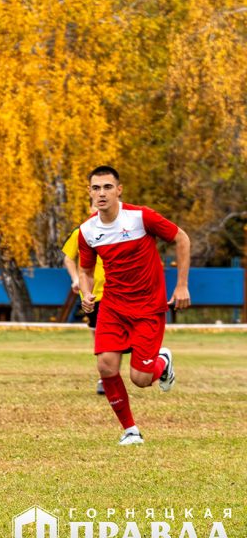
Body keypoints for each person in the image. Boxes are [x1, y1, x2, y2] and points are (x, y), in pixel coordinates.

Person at [77, 165, 190, 445]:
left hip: (148, 307)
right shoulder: (87, 231)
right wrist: (86, 293)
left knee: (140, 378)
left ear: (119, 190)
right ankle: (130, 430)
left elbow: (181, 238)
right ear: (89, 192)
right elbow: (86, 271)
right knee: (105, 366)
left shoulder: (141, 217)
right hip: (113, 307)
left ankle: (161, 362)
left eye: (107, 187)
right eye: (95, 188)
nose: (101, 193)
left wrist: (181, 285)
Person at [62, 208, 106, 395]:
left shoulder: (122, 231)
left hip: (118, 292)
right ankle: (105, 377)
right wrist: (76, 279)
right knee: (99, 336)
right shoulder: (82, 231)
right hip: (92, 294)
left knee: (119, 334)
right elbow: (68, 258)